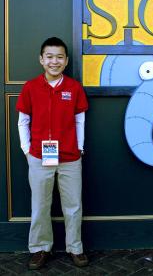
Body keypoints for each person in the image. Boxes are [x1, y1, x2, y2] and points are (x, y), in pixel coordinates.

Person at [16, 37, 89, 270]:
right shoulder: (30, 87)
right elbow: (23, 121)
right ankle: (39, 248)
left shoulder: (74, 88)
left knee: (73, 205)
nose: (54, 61)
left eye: (59, 57)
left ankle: (75, 248)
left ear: (66, 61)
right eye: (49, 56)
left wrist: (79, 147)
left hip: (70, 157)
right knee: (40, 205)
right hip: (39, 156)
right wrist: (27, 150)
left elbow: (80, 120)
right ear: (41, 59)